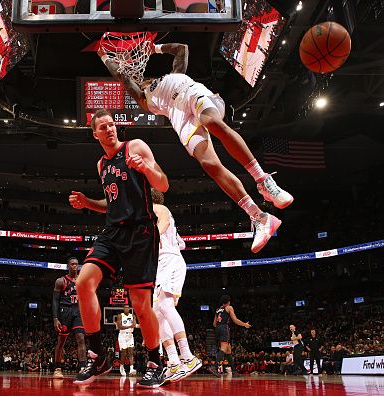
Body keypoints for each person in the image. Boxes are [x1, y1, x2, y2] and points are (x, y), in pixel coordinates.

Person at [98, 42, 293, 253]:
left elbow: (182, 48)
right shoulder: (144, 99)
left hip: (192, 93)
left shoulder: (175, 75)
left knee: (211, 121)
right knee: (210, 165)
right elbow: (124, 77)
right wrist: (104, 57)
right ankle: (260, 217)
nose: (145, 82)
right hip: (179, 118)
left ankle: (263, 181)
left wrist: (154, 48)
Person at [68, 108, 169, 387]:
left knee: (140, 303)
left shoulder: (135, 147)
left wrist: (146, 168)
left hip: (141, 231)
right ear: (95, 134)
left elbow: (164, 183)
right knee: (84, 282)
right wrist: (88, 203)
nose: (109, 129)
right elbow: (110, 204)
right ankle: (98, 355)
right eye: (103, 127)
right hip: (113, 232)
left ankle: (154, 361)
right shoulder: (101, 165)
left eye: (112, 124)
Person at [150, 189, 202, 384]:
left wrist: (154, 237)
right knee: (156, 314)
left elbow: (163, 224)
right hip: (162, 266)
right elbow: (182, 244)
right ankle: (173, 361)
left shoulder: (158, 208)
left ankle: (188, 357)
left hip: (170, 262)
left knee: (165, 307)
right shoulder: (149, 215)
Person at [52, 257, 86, 378]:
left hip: (78, 311)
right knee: (61, 341)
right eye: (72, 264)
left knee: (81, 338)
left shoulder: (82, 280)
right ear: (68, 266)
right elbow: (55, 300)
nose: (74, 266)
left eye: (76, 264)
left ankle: (83, 367)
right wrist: (55, 318)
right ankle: (57, 368)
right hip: (65, 311)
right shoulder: (61, 281)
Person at [211, 295, 251, 376]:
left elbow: (214, 323)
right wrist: (244, 325)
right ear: (228, 301)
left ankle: (234, 371)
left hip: (217, 328)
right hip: (224, 328)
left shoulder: (218, 309)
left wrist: (220, 327)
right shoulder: (229, 307)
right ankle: (214, 367)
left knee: (228, 350)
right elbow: (235, 320)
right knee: (224, 348)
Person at [115, 305, 138, 377]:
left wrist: (132, 326)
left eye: (128, 308)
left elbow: (134, 325)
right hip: (122, 335)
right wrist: (129, 326)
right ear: (123, 309)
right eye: (125, 307)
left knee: (131, 352)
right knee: (124, 353)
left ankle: (131, 369)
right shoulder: (120, 316)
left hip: (130, 335)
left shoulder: (133, 316)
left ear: (129, 309)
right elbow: (119, 327)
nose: (126, 309)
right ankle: (121, 367)